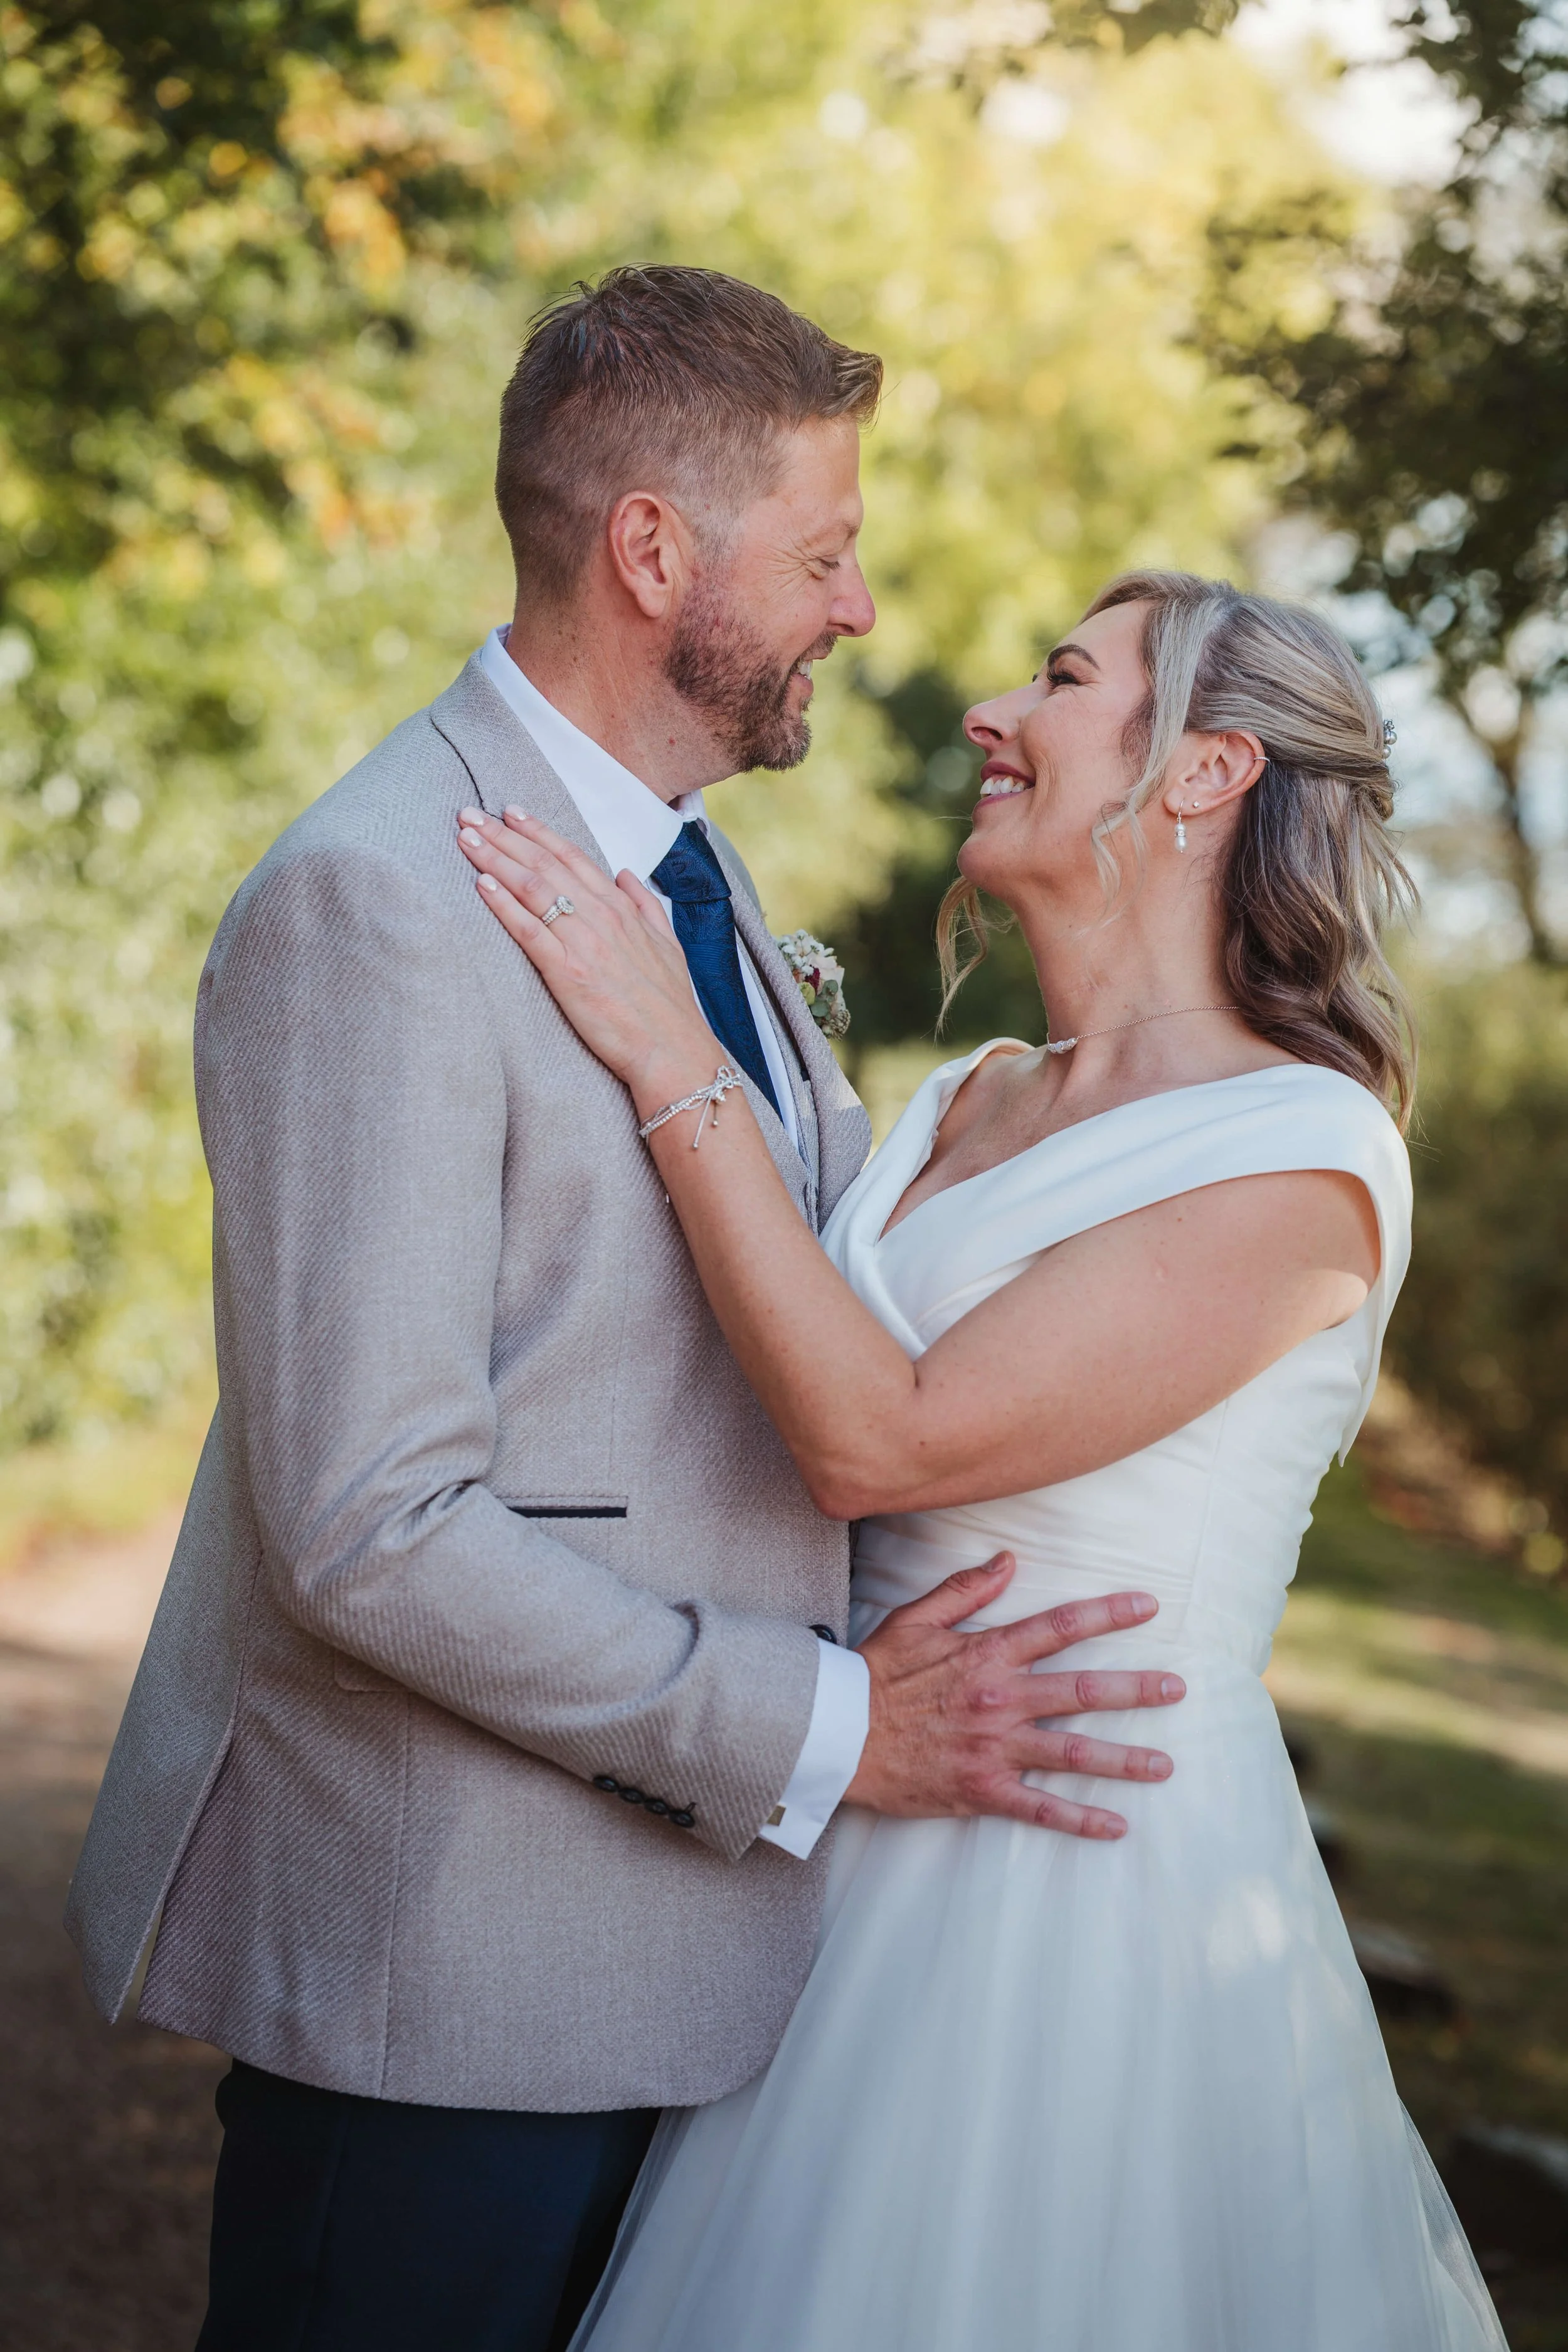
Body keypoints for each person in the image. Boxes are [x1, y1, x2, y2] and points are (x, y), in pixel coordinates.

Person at [64, 269, 1183, 2352]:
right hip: (442, 1984)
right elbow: (366, 1527)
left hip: (683, 1979)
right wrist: (840, 1726)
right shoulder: (378, 900)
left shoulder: (701, 886)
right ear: (654, 552)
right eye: (827, 553)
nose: (861, 612)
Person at [457, 568, 1509, 2351]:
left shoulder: (1298, 1154)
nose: (988, 713)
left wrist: (668, 1051)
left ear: (1201, 772)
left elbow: (880, 1434)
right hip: (828, 1817)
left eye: (1063, 675)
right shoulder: (969, 1096)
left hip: (1070, 1889)